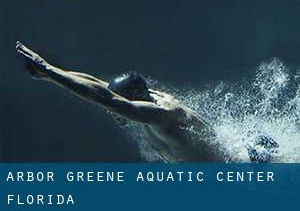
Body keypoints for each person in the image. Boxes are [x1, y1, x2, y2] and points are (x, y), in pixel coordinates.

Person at [15, 41, 277, 162]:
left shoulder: (161, 115)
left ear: (132, 101)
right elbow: (99, 87)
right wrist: (51, 74)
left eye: (115, 107)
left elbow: (105, 98)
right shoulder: (146, 100)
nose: (111, 112)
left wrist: (48, 70)